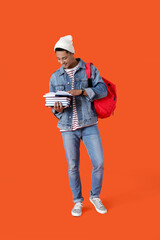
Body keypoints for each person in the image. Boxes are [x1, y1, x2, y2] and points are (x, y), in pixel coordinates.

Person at [49, 35, 108, 217]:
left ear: (72, 54)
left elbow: (103, 89)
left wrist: (83, 91)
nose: (62, 62)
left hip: (89, 124)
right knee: (73, 166)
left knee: (99, 163)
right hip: (67, 127)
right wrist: (56, 108)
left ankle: (95, 196)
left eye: (64, 58)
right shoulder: (55, 76)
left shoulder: (89, 69)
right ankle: (77, 201)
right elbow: (53, 104)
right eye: (59, 59)